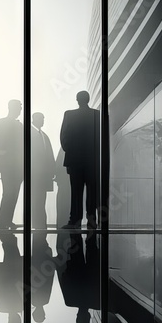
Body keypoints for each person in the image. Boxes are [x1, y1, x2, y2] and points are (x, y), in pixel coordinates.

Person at [60, 90, 100, 229]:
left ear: (77, 99)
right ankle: (92, 220)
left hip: (75, 160)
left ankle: (75, 220)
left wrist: (71, 151)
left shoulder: (69, 115)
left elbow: (64, 137)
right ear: (88, 99)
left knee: (76, 193)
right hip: (92, 161)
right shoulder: (96, 115)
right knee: (92, 192)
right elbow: (99, 138)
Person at [0, 99, 24, 230]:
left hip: (16, 166)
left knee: (12, 193)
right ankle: (2, 221)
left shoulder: (16, 124)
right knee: (9, 193)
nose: (21, 110)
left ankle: (6, 220)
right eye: (19, 107)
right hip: (10, 165)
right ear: (13, 108)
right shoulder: (4, 122)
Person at [31, 112, 56, 229]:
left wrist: (52, 170)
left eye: (43, 118)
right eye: (41, 118)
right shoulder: (31, 134)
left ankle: (40, 223)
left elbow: (49, 155)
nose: (43, 120)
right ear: (34, 119)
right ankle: (38, 223)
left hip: (43, 175)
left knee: (41, 199)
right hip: (35, 175)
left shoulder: (43, 135)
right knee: (37, 199)